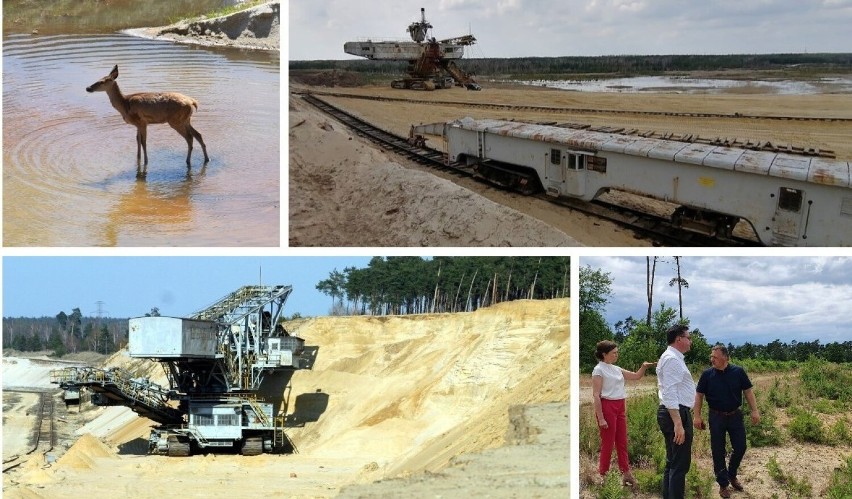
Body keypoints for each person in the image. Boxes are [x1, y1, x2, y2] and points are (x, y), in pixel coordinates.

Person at [694, 344, 760, 498]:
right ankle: (723, 484)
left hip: (735, 415)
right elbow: (699, 395)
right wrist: (697, 416)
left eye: (715, 357)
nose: (712, 359)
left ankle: (732, 473)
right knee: (718, 451)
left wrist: (754, 410)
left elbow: (748, 391)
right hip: (716, 417)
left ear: (725, 357)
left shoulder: (738, 372)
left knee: (741, 446)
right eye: (711, 357)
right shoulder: (707, 375)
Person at [591, 340, 656, 486]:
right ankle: (603, 475)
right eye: (614, 353)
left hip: (620, 406)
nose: (616, 355)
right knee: (608, 443)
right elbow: (596, 395)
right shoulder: (598, 370)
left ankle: (626, 473)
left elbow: (636, 376)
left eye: (617, 352)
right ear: (604, 354)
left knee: (622, 442)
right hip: (607, 406)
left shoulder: (616, 368)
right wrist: (601, 418)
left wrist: (643, 367)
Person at [657, 324, 696, 499]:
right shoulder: (672, 359)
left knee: (672, 462)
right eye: (688, 337)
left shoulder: (673, 357)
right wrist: (678, 423)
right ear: (679, 339)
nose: (690, 341)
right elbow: (670, 392)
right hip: (676, 413)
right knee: (680, 465)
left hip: (675, 412)